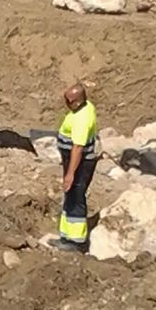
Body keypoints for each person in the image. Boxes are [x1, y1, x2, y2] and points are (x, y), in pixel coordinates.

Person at [55, 82, 99, 251]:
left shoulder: (82, 119)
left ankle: (76, 242)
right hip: (73, 162)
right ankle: (66, 237)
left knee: (76, 197)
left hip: (80, 164)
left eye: (69, 100)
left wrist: (70, 174)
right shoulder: (84, 108)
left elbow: (78, 148)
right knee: (70, 195)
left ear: (78, 102)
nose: (66, 103)